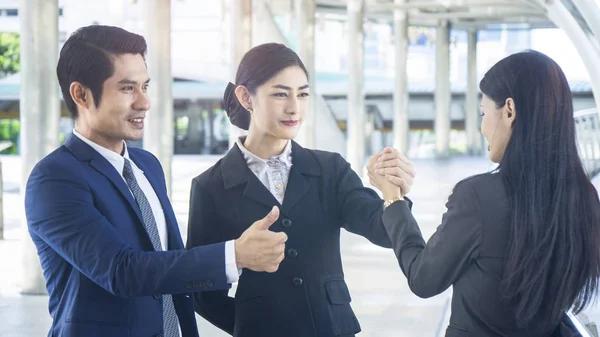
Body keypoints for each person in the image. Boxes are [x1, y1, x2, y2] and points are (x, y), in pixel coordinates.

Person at [25, 25, 288, 337]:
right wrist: (234, 255)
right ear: (81, 94)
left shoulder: (147, 165)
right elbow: (121, 271)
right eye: (127, 89)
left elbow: (169, 267)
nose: (144, 103)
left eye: (145, 87)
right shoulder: (54, 179)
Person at [185, 42, 415, 337]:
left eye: (303, 94)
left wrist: (393, 194)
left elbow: (383, 232)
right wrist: (252, 325)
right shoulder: (210, 187)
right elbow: (203, 289)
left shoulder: (330, 169)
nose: (294, 107)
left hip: (333, 329)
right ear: (245, 97)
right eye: (280, 94)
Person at [369, 50, 600, 336]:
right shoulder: (585, 199)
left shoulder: (478, 197)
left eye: (483, 112)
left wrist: (393, 199)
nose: (482, 127)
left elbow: (424, 279)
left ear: (509, 111)